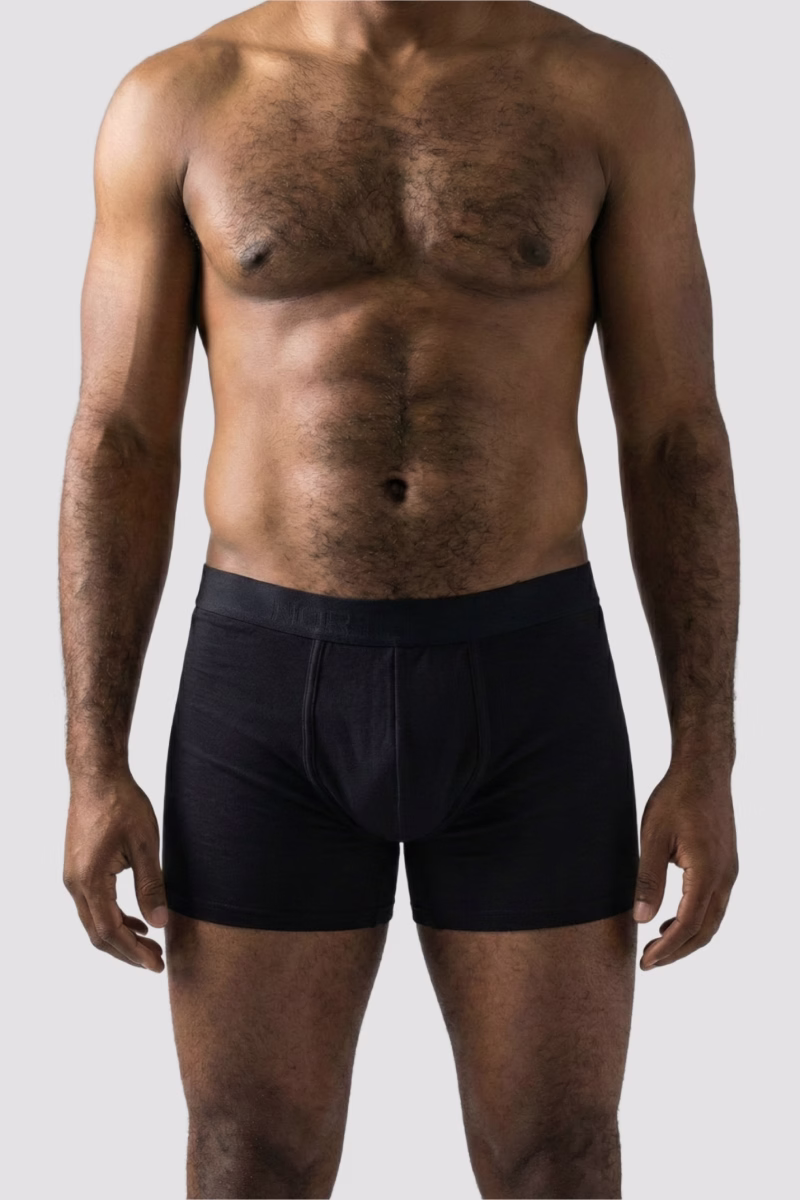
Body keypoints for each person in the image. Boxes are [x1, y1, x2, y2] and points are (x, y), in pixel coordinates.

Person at [58, 3, 740, 1197]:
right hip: (263, 692)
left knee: (558, 1158)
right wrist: (91, 761)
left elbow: (675, 437)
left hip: (528, 684)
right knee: (250, 1159)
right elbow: (119, 439)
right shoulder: (182, 99)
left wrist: (705, 754)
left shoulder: (602, 95)